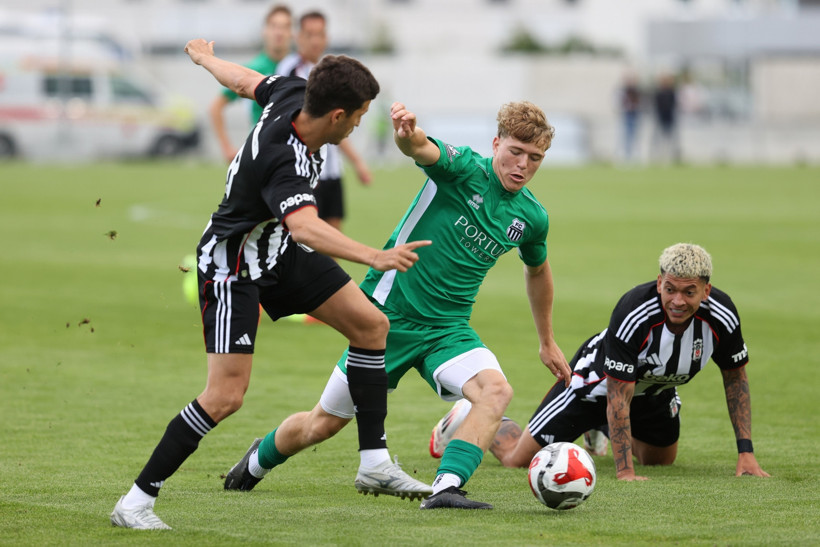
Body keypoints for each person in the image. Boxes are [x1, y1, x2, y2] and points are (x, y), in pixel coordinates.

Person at [110, 39, 433, 531]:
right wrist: (375, 256)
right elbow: (305, 226)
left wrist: (204, 59)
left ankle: (374, 463)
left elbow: (243, 80)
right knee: (224, 397)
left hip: (278, 253)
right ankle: (136, 501)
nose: (359, 126)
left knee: (370, 326)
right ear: (338, 114)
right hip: (232, 267)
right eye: (359, 117)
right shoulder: (287, 161)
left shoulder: (292, 92)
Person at [221, 100, 572, 510]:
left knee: (495, 391)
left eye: (535, 158)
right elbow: (423, 149)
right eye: (515, 152)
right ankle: (256, 462)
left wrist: (547, 340)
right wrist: (408, 136)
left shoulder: (532, 217)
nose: (522, 165)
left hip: (449, 329)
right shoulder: (463, 168)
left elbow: (538, 271)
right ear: (496, 144)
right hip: (385, 319)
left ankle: (446, 488)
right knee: (323, 424)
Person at [432, 243, 770, 482]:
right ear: (659, 283)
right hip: (594, 386)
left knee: (661, 462)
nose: (677, 301)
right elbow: (617, 394)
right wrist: (624, 472)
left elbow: (735, 378)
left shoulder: (722, 316)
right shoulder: (635, 312)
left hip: (654, 394)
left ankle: (603, 429)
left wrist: (746, 452)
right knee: (516, 461)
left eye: (689, 292)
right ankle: (465, 416)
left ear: (706, 291)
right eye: (670, 289)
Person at [276, 10, 371, 232]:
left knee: (333, 239)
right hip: (306, 169)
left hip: (332, 170)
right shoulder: (290, 69)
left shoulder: (329, 71)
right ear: (298, 36)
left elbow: (336, 123)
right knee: (307, 243)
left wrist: (357, 162)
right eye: (309, 34)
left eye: (320, 34)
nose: (315, 40)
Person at [209, 4, 293, 163]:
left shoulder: (299, 68)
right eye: (274, 26)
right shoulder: (253, 69)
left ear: (292, 33)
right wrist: (226, 147)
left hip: (294, 154)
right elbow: (216, 107)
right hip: (260, 152)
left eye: (285, 27)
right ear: (265, 31)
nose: (279, 32)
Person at [650, 72, 680, 163]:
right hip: (660, 118)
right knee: (658, 138)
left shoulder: (672, 92)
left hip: (669, 117)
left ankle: (670, 157)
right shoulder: (659, 92)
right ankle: (657, 157)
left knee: (670, 138)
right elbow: (656, 104)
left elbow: (674, 104)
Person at [619, 71, 642, 163]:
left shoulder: (637, 91)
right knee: (625, 136)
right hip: (626, 115)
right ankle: (625, 156)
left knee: (635, 136)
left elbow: (640, 102)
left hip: (635, 114)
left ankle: (635, 156)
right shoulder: (623, 91)